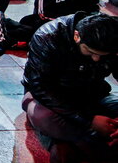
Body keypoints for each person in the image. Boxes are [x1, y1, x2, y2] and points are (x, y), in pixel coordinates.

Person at [22, 13, 118, 163]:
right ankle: (91, 141)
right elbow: (40, 88)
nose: (96, 59)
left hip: (92, 94)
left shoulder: (113, 39)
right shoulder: (47, 37)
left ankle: (72, 139)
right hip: (51, 99)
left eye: (102, 55)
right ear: (76, 36)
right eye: (90, 51)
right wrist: (89, 121)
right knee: (43, 117)